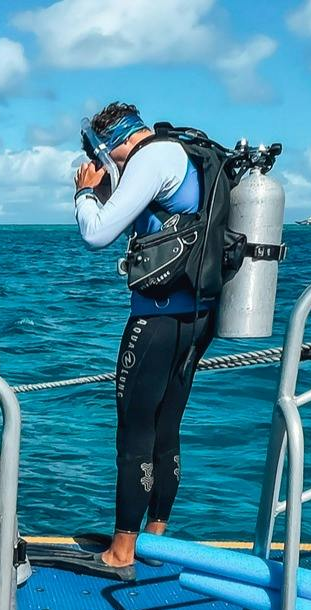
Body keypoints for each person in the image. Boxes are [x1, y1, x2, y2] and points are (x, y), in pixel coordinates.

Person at [72, 101, 221, 576]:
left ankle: (122, 551)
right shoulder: (180, 155)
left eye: (103, 153)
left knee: (134, 433)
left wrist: (84, 195)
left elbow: (97, 234)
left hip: (155, 320)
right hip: (195, 316)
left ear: (114, 143)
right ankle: (153, 539)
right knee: (166, 428)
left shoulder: (149, 160)